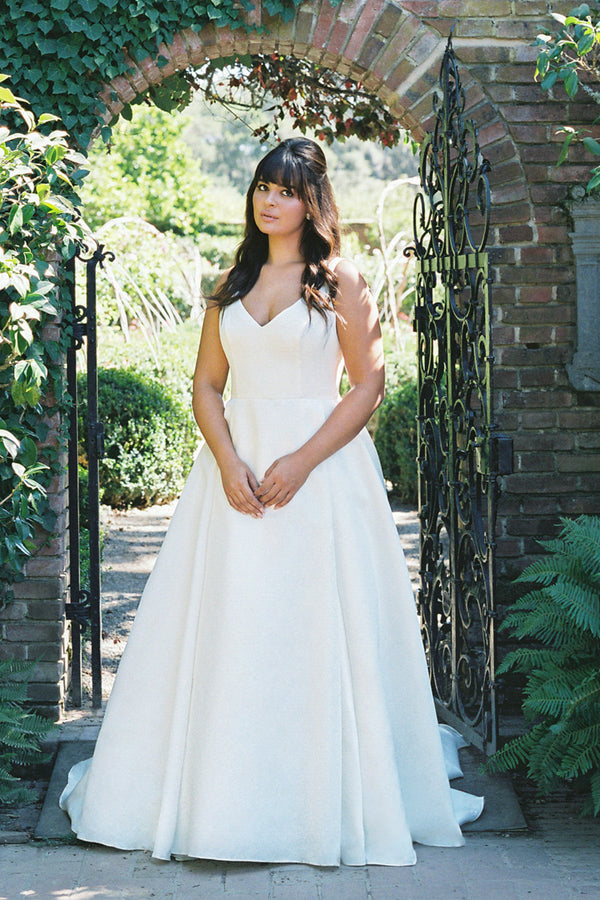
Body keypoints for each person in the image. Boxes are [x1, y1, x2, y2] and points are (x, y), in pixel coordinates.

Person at [60, 137, 483, 867]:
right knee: (231, 622)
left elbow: (367, 385)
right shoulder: (231, 285)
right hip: (233, 480)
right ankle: (216, 791)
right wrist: (229, 462)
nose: (269, 200)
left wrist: (303, 462)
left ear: (311, 200)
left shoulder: (340, 280)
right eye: (262, 186)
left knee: (316, 624)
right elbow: (205, 385)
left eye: (284, 189)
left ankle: (326, 792)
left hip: (321, 478)